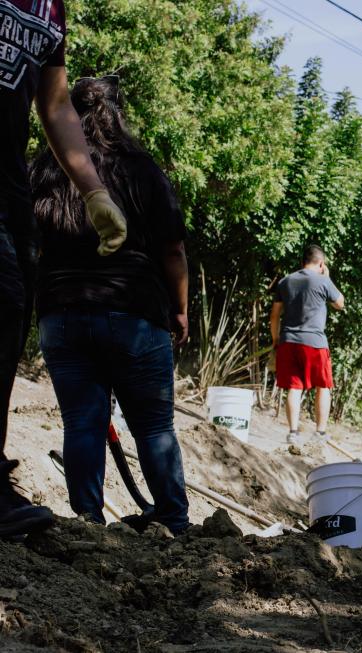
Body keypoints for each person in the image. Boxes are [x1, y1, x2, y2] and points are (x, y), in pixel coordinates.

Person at [30, 76, 189, 534]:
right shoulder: (141, 168)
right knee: (154, 426)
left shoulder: (44, 169)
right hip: (135, 312)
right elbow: (173, 249)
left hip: (61, 315)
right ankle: (175, 524)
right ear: (118, 114)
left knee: (82, 423)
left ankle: (88, 524)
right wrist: (179, 310)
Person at [1, 0, 128, 539]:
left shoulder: (51, 10)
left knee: (7, 324)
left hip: (8, 190)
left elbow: (54, 105)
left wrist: (93, 191)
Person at [271, 245, 344, 444]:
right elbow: (340, 304)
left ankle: (293, 433)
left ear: (302, 262)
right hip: (315, 343)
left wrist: (276, 339)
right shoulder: (323, 280)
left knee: (294, 387)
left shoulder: (285, 281)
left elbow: (275, 314)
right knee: (323, 386)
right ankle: (319, 433)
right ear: (321, 264)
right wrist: (327, 278)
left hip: (288, 341)